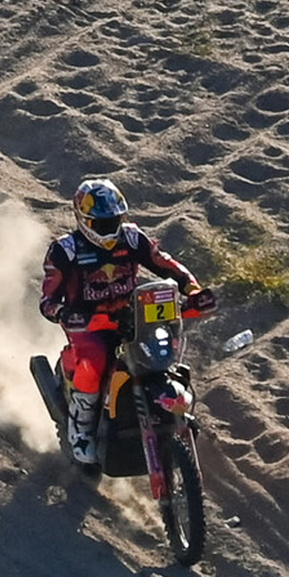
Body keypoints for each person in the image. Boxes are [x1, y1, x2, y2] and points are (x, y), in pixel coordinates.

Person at [39, 178, 211, 465]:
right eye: (103, 223)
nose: (111, 228)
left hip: (133, 317)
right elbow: (47, 301)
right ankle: (81, 429)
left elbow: (166, 264)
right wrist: (63, 312)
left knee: (165, 353)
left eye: (116, 220)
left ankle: (168, 414)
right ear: (84, 220)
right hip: (89, 325)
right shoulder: (65, 250)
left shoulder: (132, 239)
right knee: (94, 362)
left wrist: (193, 290)